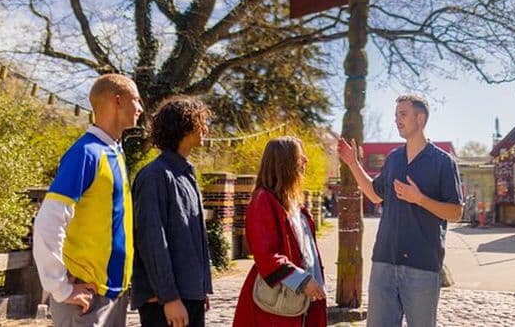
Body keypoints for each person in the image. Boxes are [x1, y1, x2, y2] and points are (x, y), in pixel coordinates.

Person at [338, 94, 463, 327]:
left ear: (420, 118)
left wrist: (420, 199)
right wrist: (353, 164)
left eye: (403, 114)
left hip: (422, 267)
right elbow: (375, 194)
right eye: (396, 115)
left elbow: (456, 212)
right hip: (384, 262)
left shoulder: (444, 162)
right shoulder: (394, 158)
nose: (397, 120)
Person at [33, 74, 143, 327]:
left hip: (112, 296)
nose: (140, 108)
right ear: (118, 100)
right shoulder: (85, 153)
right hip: (86, 302)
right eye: (135, 100)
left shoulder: (114, 151)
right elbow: (48, 222)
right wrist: (61, 288)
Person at [131, 96, 213, 327]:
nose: (205, 128)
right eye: (200, 121)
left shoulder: (186, 174)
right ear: (184, 125)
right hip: (166, 302)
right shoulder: (155, 176)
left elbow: (190, 240)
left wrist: (199, 289)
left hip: (189, 296)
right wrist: (169, 297)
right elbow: (152, 240)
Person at [233, 137, 327, 327]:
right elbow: (265, 254)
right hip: (276, 307)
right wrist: (301, 281)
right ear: (286, 162)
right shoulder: (263, 200)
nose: (306, 161)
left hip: (305, 303)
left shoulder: (296, 206)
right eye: (301, 156)